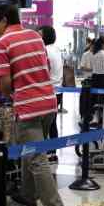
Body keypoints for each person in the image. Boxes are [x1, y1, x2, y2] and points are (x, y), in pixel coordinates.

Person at [0, 3, 66, 206]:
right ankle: (28, 196)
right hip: (49, 102)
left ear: (4, 20)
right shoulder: (35, 37)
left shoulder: (2, 43)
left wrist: (7, 96)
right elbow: (41, 68)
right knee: (30, 151)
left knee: (37, 159)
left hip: (28, 107)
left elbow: (5, 83)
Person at [41, 25, 64, 159]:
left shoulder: (45, 51)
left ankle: (47, 151)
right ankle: (52, 151)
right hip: (58, 90)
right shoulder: (56, 50)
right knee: (52, 122)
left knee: (45, 124)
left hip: (48, 91)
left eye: (39, 34)